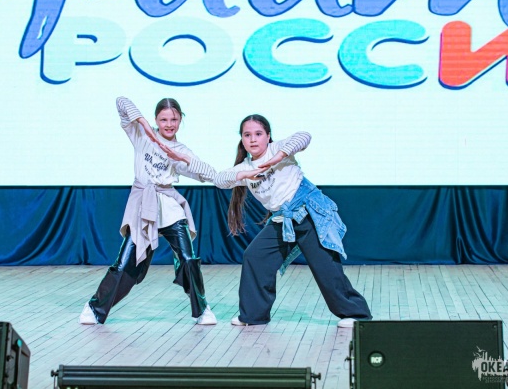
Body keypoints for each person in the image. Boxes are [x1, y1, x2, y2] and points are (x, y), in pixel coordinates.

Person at [214, 114, 372, 328]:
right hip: (282, 219)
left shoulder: (277, 149)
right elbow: (219, 180)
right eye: (247, 135)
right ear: (242, 139)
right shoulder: (246, 167)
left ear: (268, 136)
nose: (253, 139)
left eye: (258, 134)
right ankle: (253, 315)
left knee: (325, 265)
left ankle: (357, 313)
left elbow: (304, 136)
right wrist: (244, 174)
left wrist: (278, 157)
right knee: (255, 256)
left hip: (307, 212)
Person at [79, 96, 217, 325]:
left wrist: (182, 158)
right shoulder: (142, 135)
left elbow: (209, 175)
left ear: (181, 120)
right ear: (156, 119)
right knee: (125, 263)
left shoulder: (181, 150)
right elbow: (121, 102)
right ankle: (95, 307)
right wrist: (144, 125)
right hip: (143, 206)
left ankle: (202, 309)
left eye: (174, 119)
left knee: (188, 258)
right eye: (163, 119)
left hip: (170, 206)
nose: (169, 124)